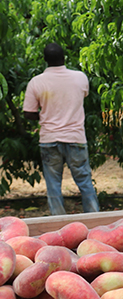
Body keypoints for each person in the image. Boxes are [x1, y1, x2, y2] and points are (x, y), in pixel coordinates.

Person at [22, 43, 100, 215]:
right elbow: (82, 96)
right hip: (76, 138)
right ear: (64, 57)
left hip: (50, 139)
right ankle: (94, 218)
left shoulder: (36, 82)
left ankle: (59, 223)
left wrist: (44, 116)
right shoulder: (80, 78)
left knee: (53, 185)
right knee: (85, 182)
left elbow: (28, 113)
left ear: (45, 60)